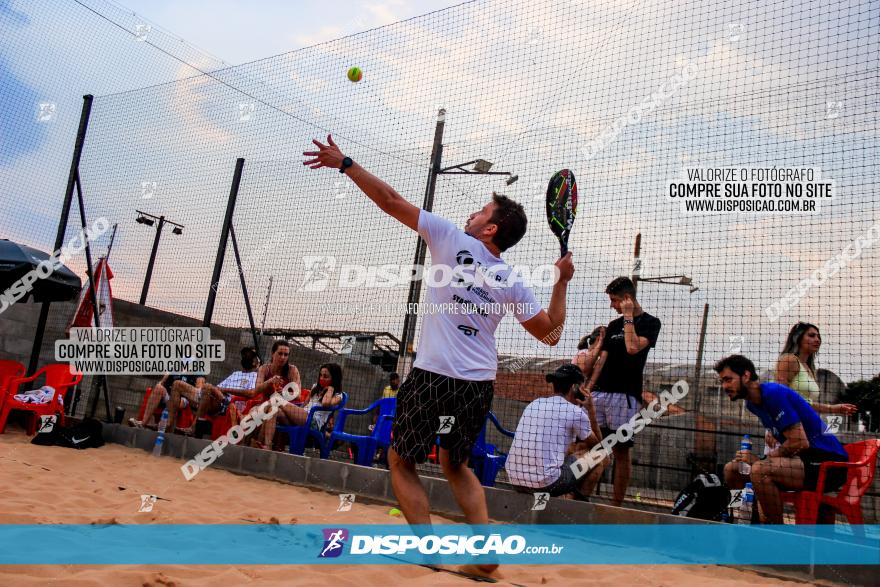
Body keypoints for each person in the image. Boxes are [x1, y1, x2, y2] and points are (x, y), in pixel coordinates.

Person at [304, 135, 574, 575]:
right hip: (478, 382)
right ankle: (484, 551)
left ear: (490, 229)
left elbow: (389, 200)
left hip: (432, 374)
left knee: (400, 460)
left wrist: (346, 163)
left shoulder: (449, 236)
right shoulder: (512, 278)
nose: (472, 213)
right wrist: (561, 283)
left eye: (481, 212)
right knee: (457, 465)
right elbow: (550, 335)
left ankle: (428, 549)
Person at [716, 355, 849, 524]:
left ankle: (777, 533)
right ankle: (748, 520)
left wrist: (761, 460)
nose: (725, 386)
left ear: (746, 376)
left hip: (828, 463)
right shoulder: (752, 404)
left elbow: (800, 442)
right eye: (722, 381)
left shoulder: (773, 393)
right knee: (732, 469)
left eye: (728, 380)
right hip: (801, 461)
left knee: (759, 470)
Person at [585, 276, 661, 506]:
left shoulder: (650, 322)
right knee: (590, 443)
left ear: (627, 299)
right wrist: (588, 390)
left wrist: (628, 316)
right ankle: (581, 493)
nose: (613, 305)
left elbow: (632, 348)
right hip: (600, 393)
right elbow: (602, 361)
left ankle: (616, 504)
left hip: (624, 395)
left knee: (620, 450)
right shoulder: (614, 325)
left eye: (615, 300)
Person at [506, 364, 606, 500]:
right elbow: (599, 446)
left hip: (514, 479)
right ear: (574, 388)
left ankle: (552, 504)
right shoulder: (575, 412)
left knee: (574, 453)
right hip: (546, 484)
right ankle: (573, 508)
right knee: (601, 456)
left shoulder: (534, 404)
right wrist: (591, 411)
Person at [165, 346, 277, 434]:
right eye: (246, 356)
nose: (247, 358)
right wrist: (218, 389)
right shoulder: (236, 374)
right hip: (214, 397)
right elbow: (218, 388)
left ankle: (193, 428)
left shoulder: (257, 376)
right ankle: (169, 425)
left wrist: (224, 389)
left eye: (251, 356)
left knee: (208, 387)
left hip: (229, 404)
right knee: (177, 384)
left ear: (256, 361)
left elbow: (251, 393)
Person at [774, 322, 857, 415]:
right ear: (798, 338)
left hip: (807, 423)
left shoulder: (809, 368)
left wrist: (833, 409)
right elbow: (780, 395)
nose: (817, 340)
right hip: (790, 423)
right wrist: (831, 408)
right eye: (811, 335)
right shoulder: (789, 360)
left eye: (818, 337)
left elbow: (806, 404)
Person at [254, 340, 302, 449]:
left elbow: (298, 395)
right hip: (264, 406)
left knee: (273, 409)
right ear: (272, 353)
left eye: (286, 355)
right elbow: (256, 390)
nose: (283, 357)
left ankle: (266, 445)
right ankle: (257, 443)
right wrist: (270, 381)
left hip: (285, 410)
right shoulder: (264, 369)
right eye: (280, 353)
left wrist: (284, 393)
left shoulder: (292, 370)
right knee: (257, 411)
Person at [129, 372, 204, 429]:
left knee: (177, 386)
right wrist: (166, 376)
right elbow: (161, 383)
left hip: (183, 399)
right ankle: (143, 423)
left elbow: (197, 393)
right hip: (169, 395)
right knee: (158, 387)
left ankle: (167, 424)